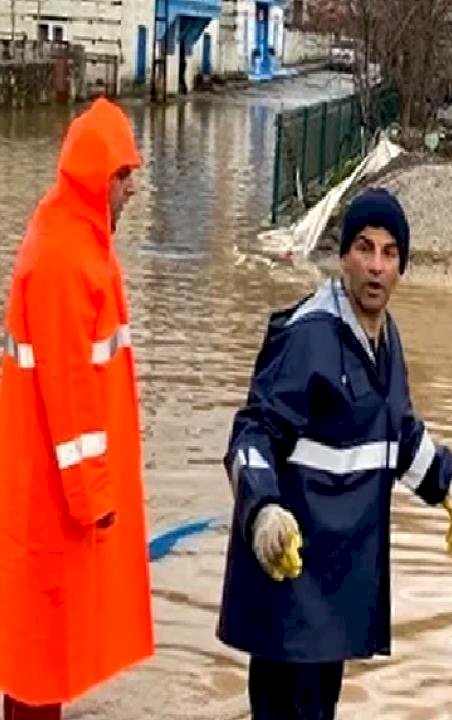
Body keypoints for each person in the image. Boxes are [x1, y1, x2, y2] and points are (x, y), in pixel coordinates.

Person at [216, 188, 452, 720]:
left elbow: (395, 432)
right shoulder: (309, 337)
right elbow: (251, 434)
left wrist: (444, 485)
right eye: (364, 248)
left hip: (335, 585)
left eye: (389, 253)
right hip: (289, 578)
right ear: (343, 257)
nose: (376, 267)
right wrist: (263, 512)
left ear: (402, 265)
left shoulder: (385, 338)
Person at [0, 98, 152, 720]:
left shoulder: (70, 235)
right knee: (39, 657)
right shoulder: (67, 257)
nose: (132, 191)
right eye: (125, 177)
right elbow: (68, 388)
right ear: (101, 177)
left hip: (44, 488)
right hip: (52, 500)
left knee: (41, 653)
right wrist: (96, 498)